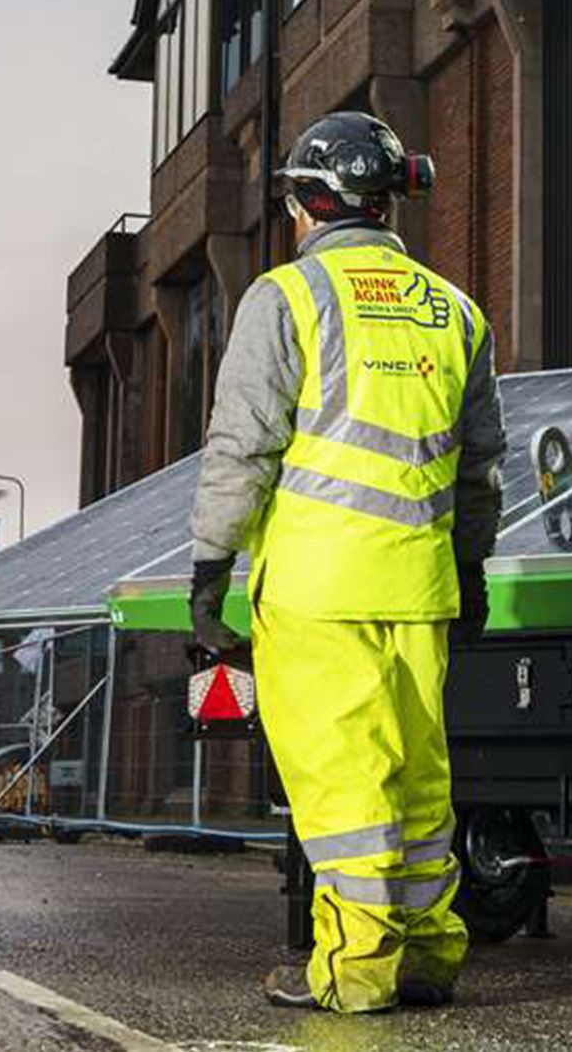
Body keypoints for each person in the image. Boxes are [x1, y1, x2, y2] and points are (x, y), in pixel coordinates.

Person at [188, 113, 505, 1014]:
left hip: (320, 588)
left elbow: (241, 446)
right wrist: (471, 567)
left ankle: (356, 976)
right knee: (417, 778)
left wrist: (210, 569)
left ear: (316, 200)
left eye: (295, 199)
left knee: (346, 784)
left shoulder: (287, 297)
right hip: (422, 587)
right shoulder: (455, 310)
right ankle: (430, 953)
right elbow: (480, 466)